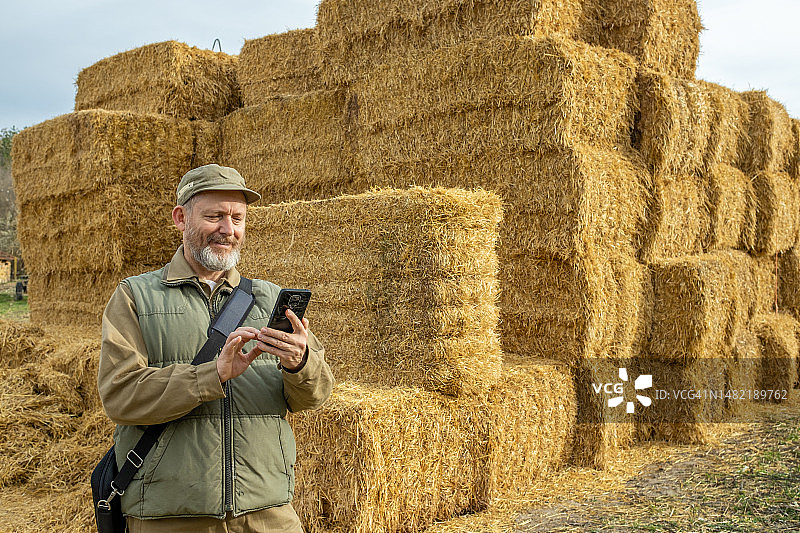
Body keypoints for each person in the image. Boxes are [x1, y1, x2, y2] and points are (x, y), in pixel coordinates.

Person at [98, 164, 334, 533]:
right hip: (172, 518)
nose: (228, 229)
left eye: (238, 218)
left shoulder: (269, 298)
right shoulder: (136, 296)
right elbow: (120, 395)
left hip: (268, 514)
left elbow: (315, 396)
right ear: (181, 218)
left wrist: (299, 363)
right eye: (215, 216)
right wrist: (212, 375)